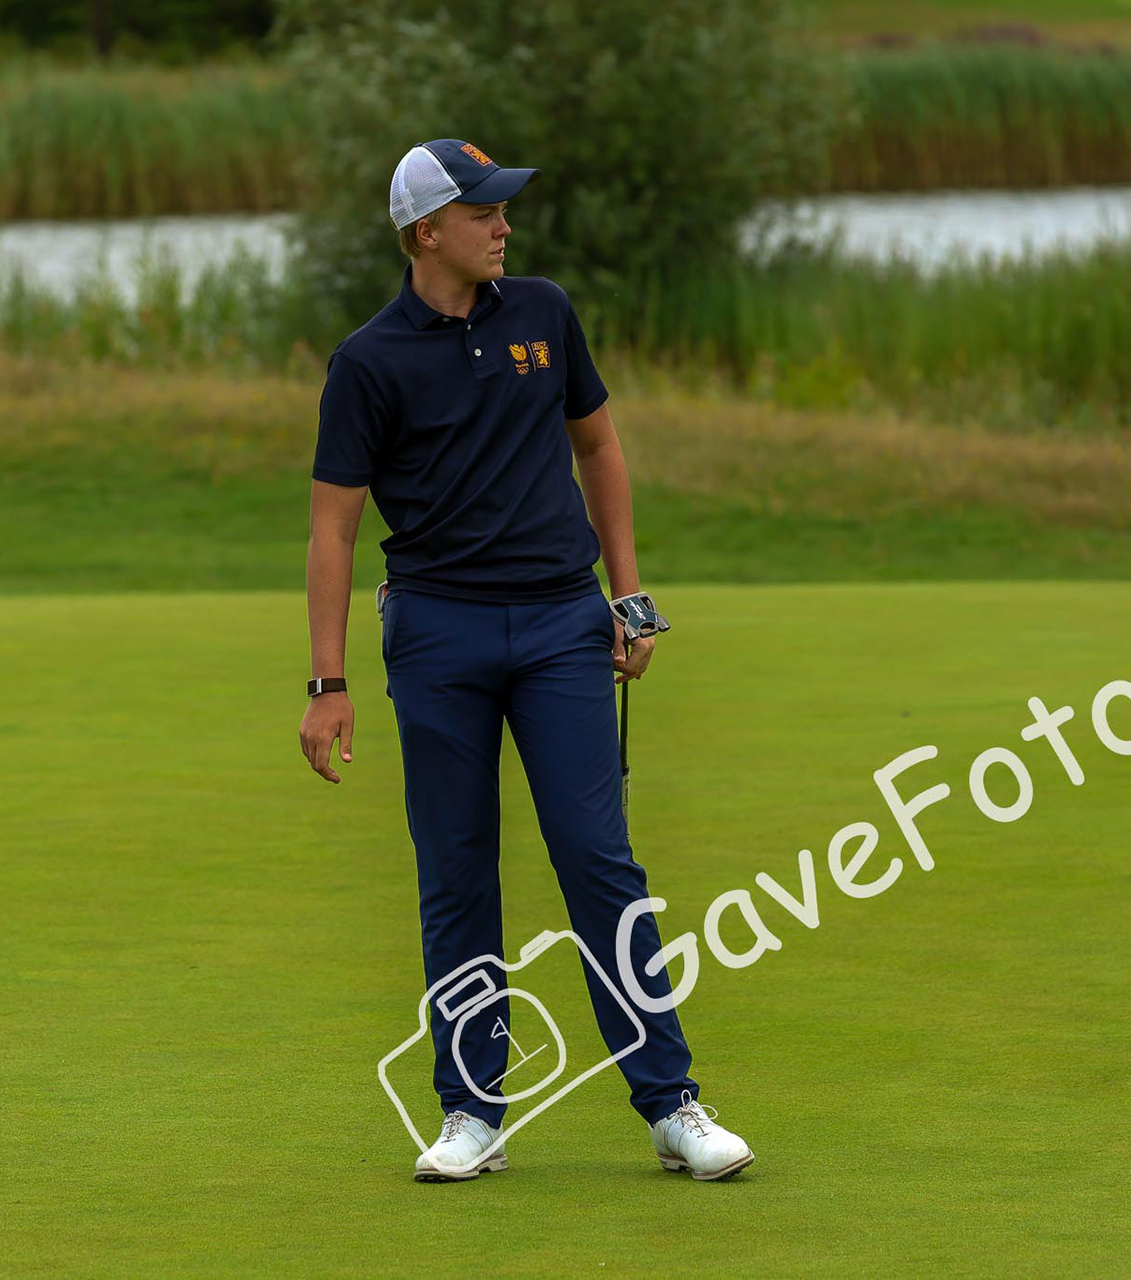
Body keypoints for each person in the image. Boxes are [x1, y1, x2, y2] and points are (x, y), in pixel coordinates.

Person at [297, 139, 753, 1183]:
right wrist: (329, 683)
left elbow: (599, 447)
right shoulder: (367, 361)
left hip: (560, 621)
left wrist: (628, 592)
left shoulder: (543, 312)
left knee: (599, 858)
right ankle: (472, 1111)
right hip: (438, 633)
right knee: (456, 872)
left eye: (504, 210)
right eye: (483, 213)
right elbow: (332, 530)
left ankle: (672, 1101)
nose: (504, 226)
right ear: (427, 233)